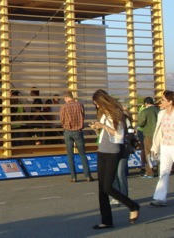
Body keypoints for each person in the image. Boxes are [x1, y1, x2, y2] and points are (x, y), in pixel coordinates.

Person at [89, 89, 139, 229]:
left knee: (108, 187)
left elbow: (118, 135)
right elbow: (105, 133)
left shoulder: (116, 113)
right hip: (102, 151)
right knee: (101, 190)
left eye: (97, 103)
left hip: (112, 152)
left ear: (102, 101)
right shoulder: (104, 114)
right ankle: (106, 221)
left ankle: (133, 205)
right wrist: (97, 128)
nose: (97, 106)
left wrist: (103, 126)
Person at [60, 91, 93, 183]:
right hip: (78, 131)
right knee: (82, 154)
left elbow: (62, 120)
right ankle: (88, 176)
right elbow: (83, 116)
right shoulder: (80, 105)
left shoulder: (63, 107)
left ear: (66, 98)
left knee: (70, 155)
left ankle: (73, 177)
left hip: (67, 132)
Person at [150, 90, 174, 207]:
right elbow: (157, 131)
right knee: (163, 172)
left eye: (163, 100)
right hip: (165, 146)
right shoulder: (161, 113)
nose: (161, 102)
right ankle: (160, 198)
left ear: (170, 101)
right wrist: (156, 146)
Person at [138, 97, 159, 178]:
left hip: (149, 134)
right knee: (158, 154)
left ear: (146, 103)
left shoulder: (145, 111)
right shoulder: (158, 110)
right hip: (159, 135)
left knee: (148, 154)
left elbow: (141, 123)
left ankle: (150, 172)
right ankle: (159, 171)